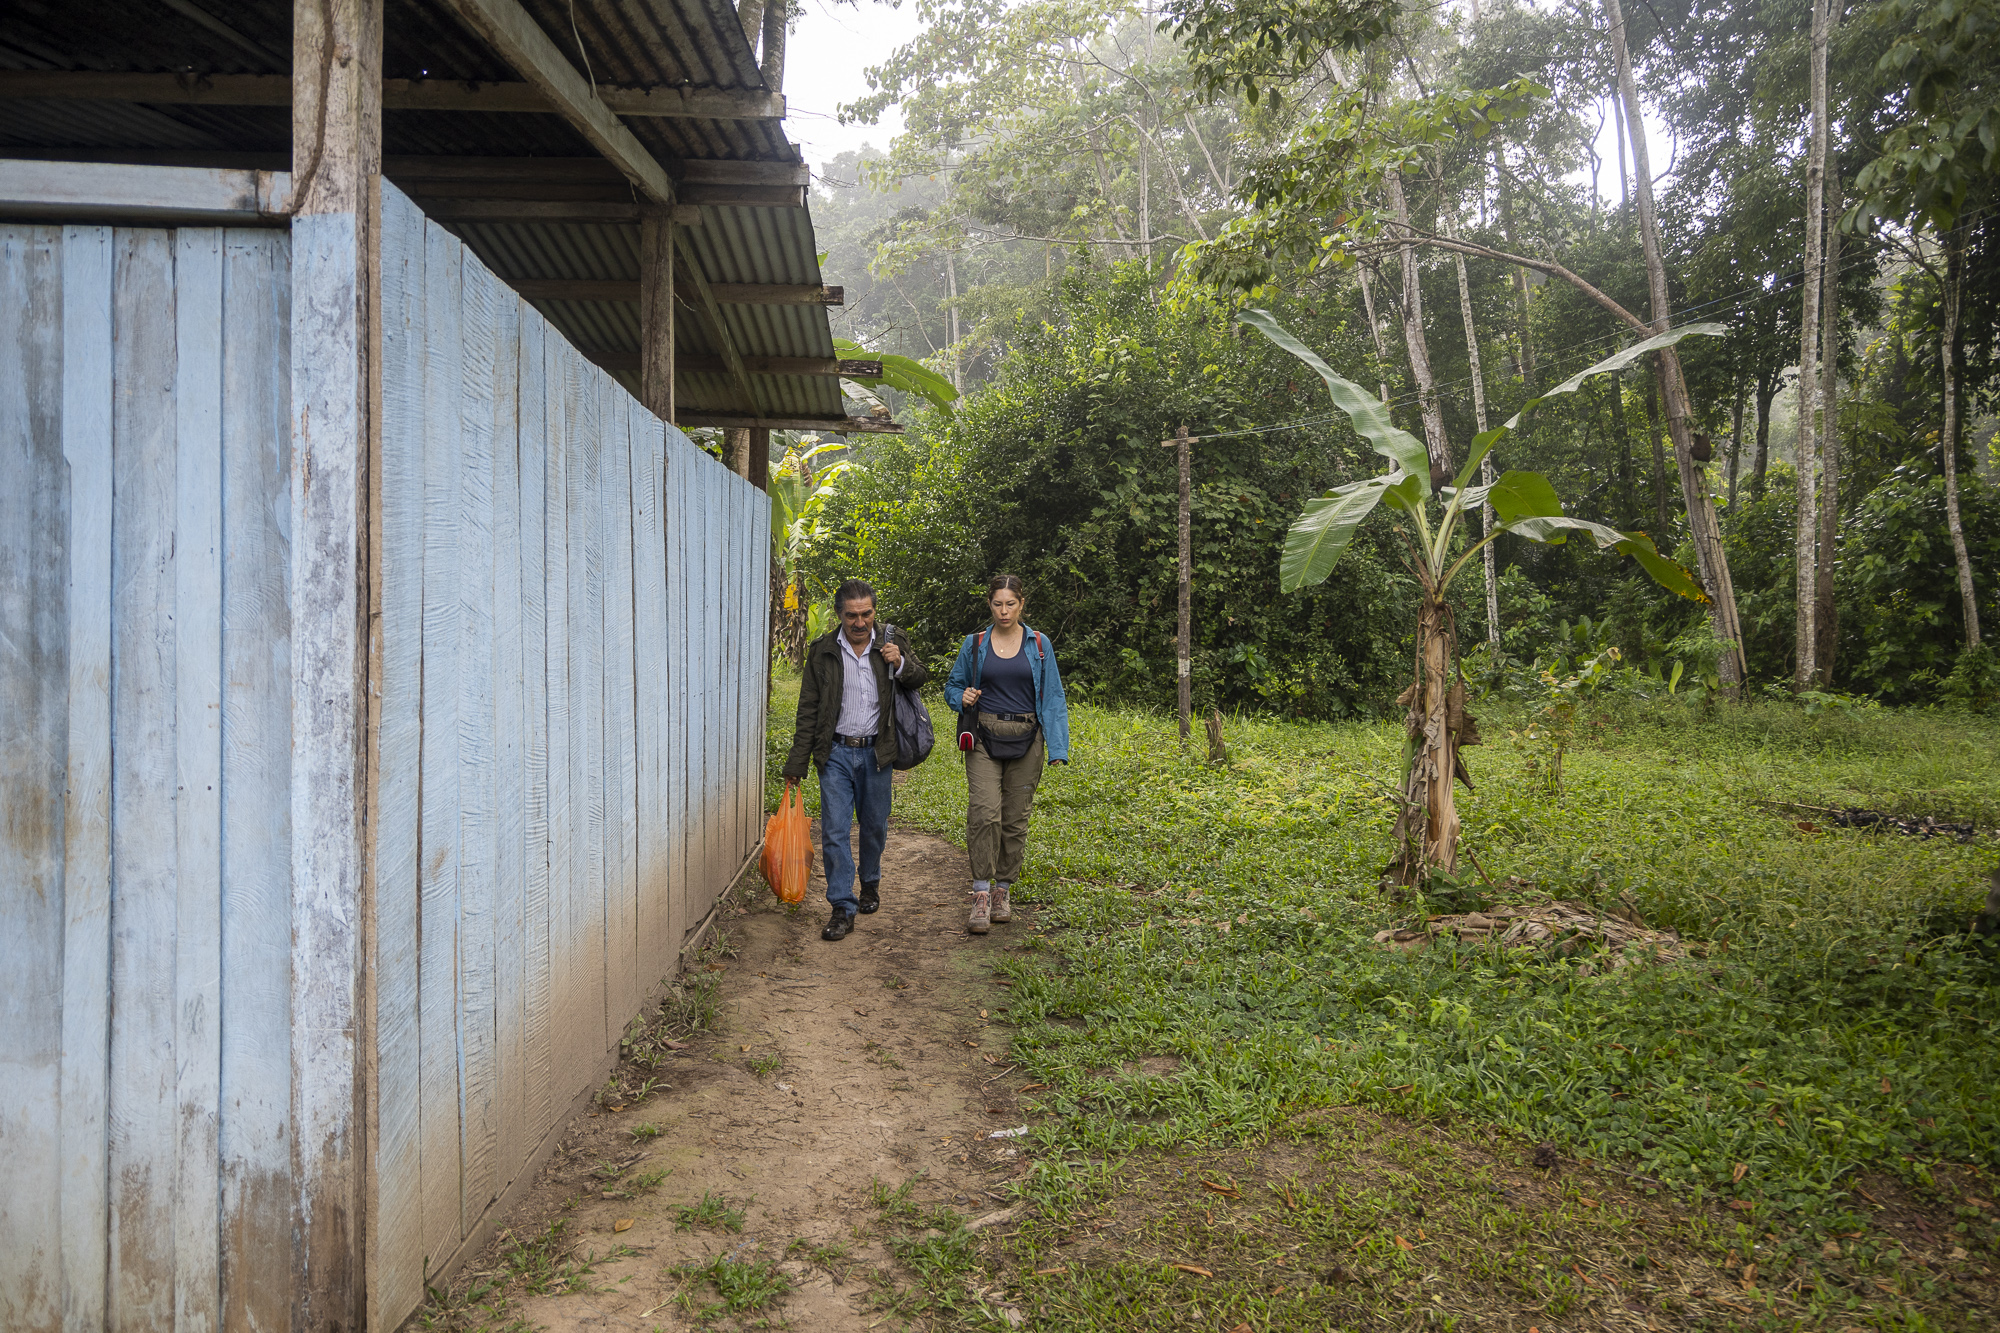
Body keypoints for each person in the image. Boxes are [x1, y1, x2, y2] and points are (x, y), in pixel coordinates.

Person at [781, 579, 928, 941]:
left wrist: (902, 663)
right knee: (834, 830)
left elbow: (921, 677)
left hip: (878, 752)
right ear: (839, 615)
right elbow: (809, 710)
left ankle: (871, 881)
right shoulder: (822, 652)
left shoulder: (891, 642)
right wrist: (797, 764)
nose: (860, 622)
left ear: (874, 612)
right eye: (852, 616)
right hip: (835, 754)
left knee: (874, 826)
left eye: (867, 614)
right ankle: (842, 906)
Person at [943, 575, 1071, 933]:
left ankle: (1002, 890)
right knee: (985, 813)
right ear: (990, 605)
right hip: (984, 736)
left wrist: (1058, 747)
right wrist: (961, 697)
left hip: (1028, 739)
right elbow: (952, 686)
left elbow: (1054, 696)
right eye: (997, 604)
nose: (1004, 611)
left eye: (1010, 604)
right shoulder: (975, 644)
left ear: (1021, 604)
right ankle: (981, 894)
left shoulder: (1040, 645)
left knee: (1015, 819)